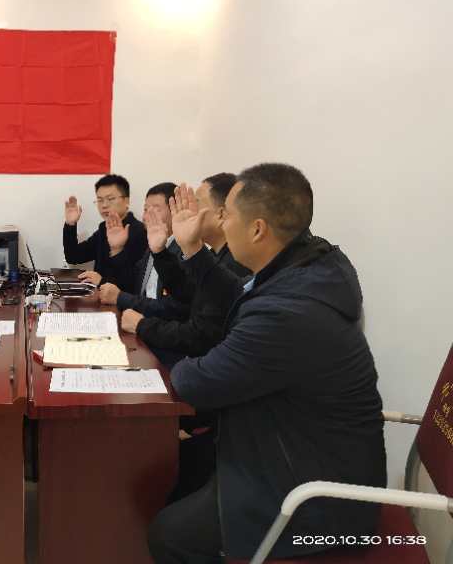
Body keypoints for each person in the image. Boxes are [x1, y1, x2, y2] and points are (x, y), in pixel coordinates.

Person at [147, 164, 386, 563]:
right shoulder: (307, 264)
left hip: (312, 494)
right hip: (286, 439)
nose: (220, 222)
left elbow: (195, 382)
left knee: (169, 536)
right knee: (173, 468)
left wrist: (187, 362)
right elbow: (235, 299)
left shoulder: (289, 312)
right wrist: (192, 249)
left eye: (226, 215)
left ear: (257, 229)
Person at [119, 173, 251, 358]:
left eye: (195, 203)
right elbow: (187, 295)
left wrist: (142, 325)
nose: (187, 211)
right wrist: (160, 252)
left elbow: (201, 336)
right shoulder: (215, 255)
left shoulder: (237, 264)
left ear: (221, 214)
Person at [97, 182, 188, 322]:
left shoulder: (185, 250)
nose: (147, 216)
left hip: (159, 327)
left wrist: (120, 298)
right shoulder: (152, 244)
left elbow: (174, 308)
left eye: (155, 210)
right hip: (137, 321)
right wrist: (117, 249)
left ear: (174, 210)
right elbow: (131, 286)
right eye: (146, 209)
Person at [62, 173, 147, 292]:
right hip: (99, 297)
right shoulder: (103, 228)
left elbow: (135, 284)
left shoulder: (140, 232)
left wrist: (101, 281)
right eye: (100, 200)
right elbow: (73, 256)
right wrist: (70, 225)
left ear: (126, 200)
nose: (104, 205)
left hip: (120, 301)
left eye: (110, 199)